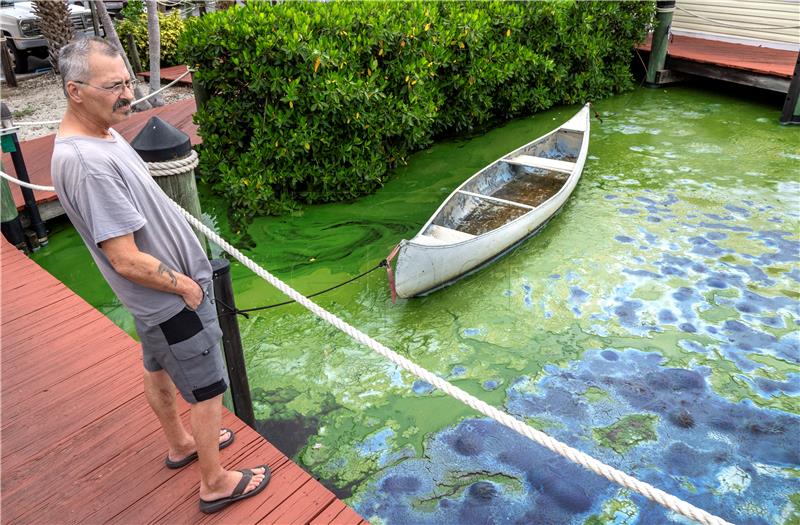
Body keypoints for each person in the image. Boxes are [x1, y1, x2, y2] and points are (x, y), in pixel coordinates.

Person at [50, 36, 269, 514]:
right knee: (210, 388)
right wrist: (188, 287)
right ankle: (214, 482)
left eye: (128, 81)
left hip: (152, 304)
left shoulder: (101, 136)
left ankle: (181, 445)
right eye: (113, 86)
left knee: (157, 368)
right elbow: (125, 258)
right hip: (169, 301)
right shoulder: (87, 163)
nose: (127, 94)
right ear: (75, 90)